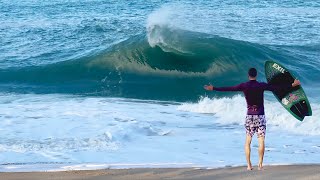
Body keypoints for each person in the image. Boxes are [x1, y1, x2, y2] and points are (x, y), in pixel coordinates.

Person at [203, 68, 300, 170]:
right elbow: (276, 88)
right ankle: (260, 164)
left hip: (249, 116)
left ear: (248, 75)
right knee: (261, 141)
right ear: (256, 75)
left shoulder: (244, 86)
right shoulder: (261, 85)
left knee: (248, 141)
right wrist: (292, 85)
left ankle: (249, 165)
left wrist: (214, 88)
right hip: (260, 116)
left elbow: (229, 88)